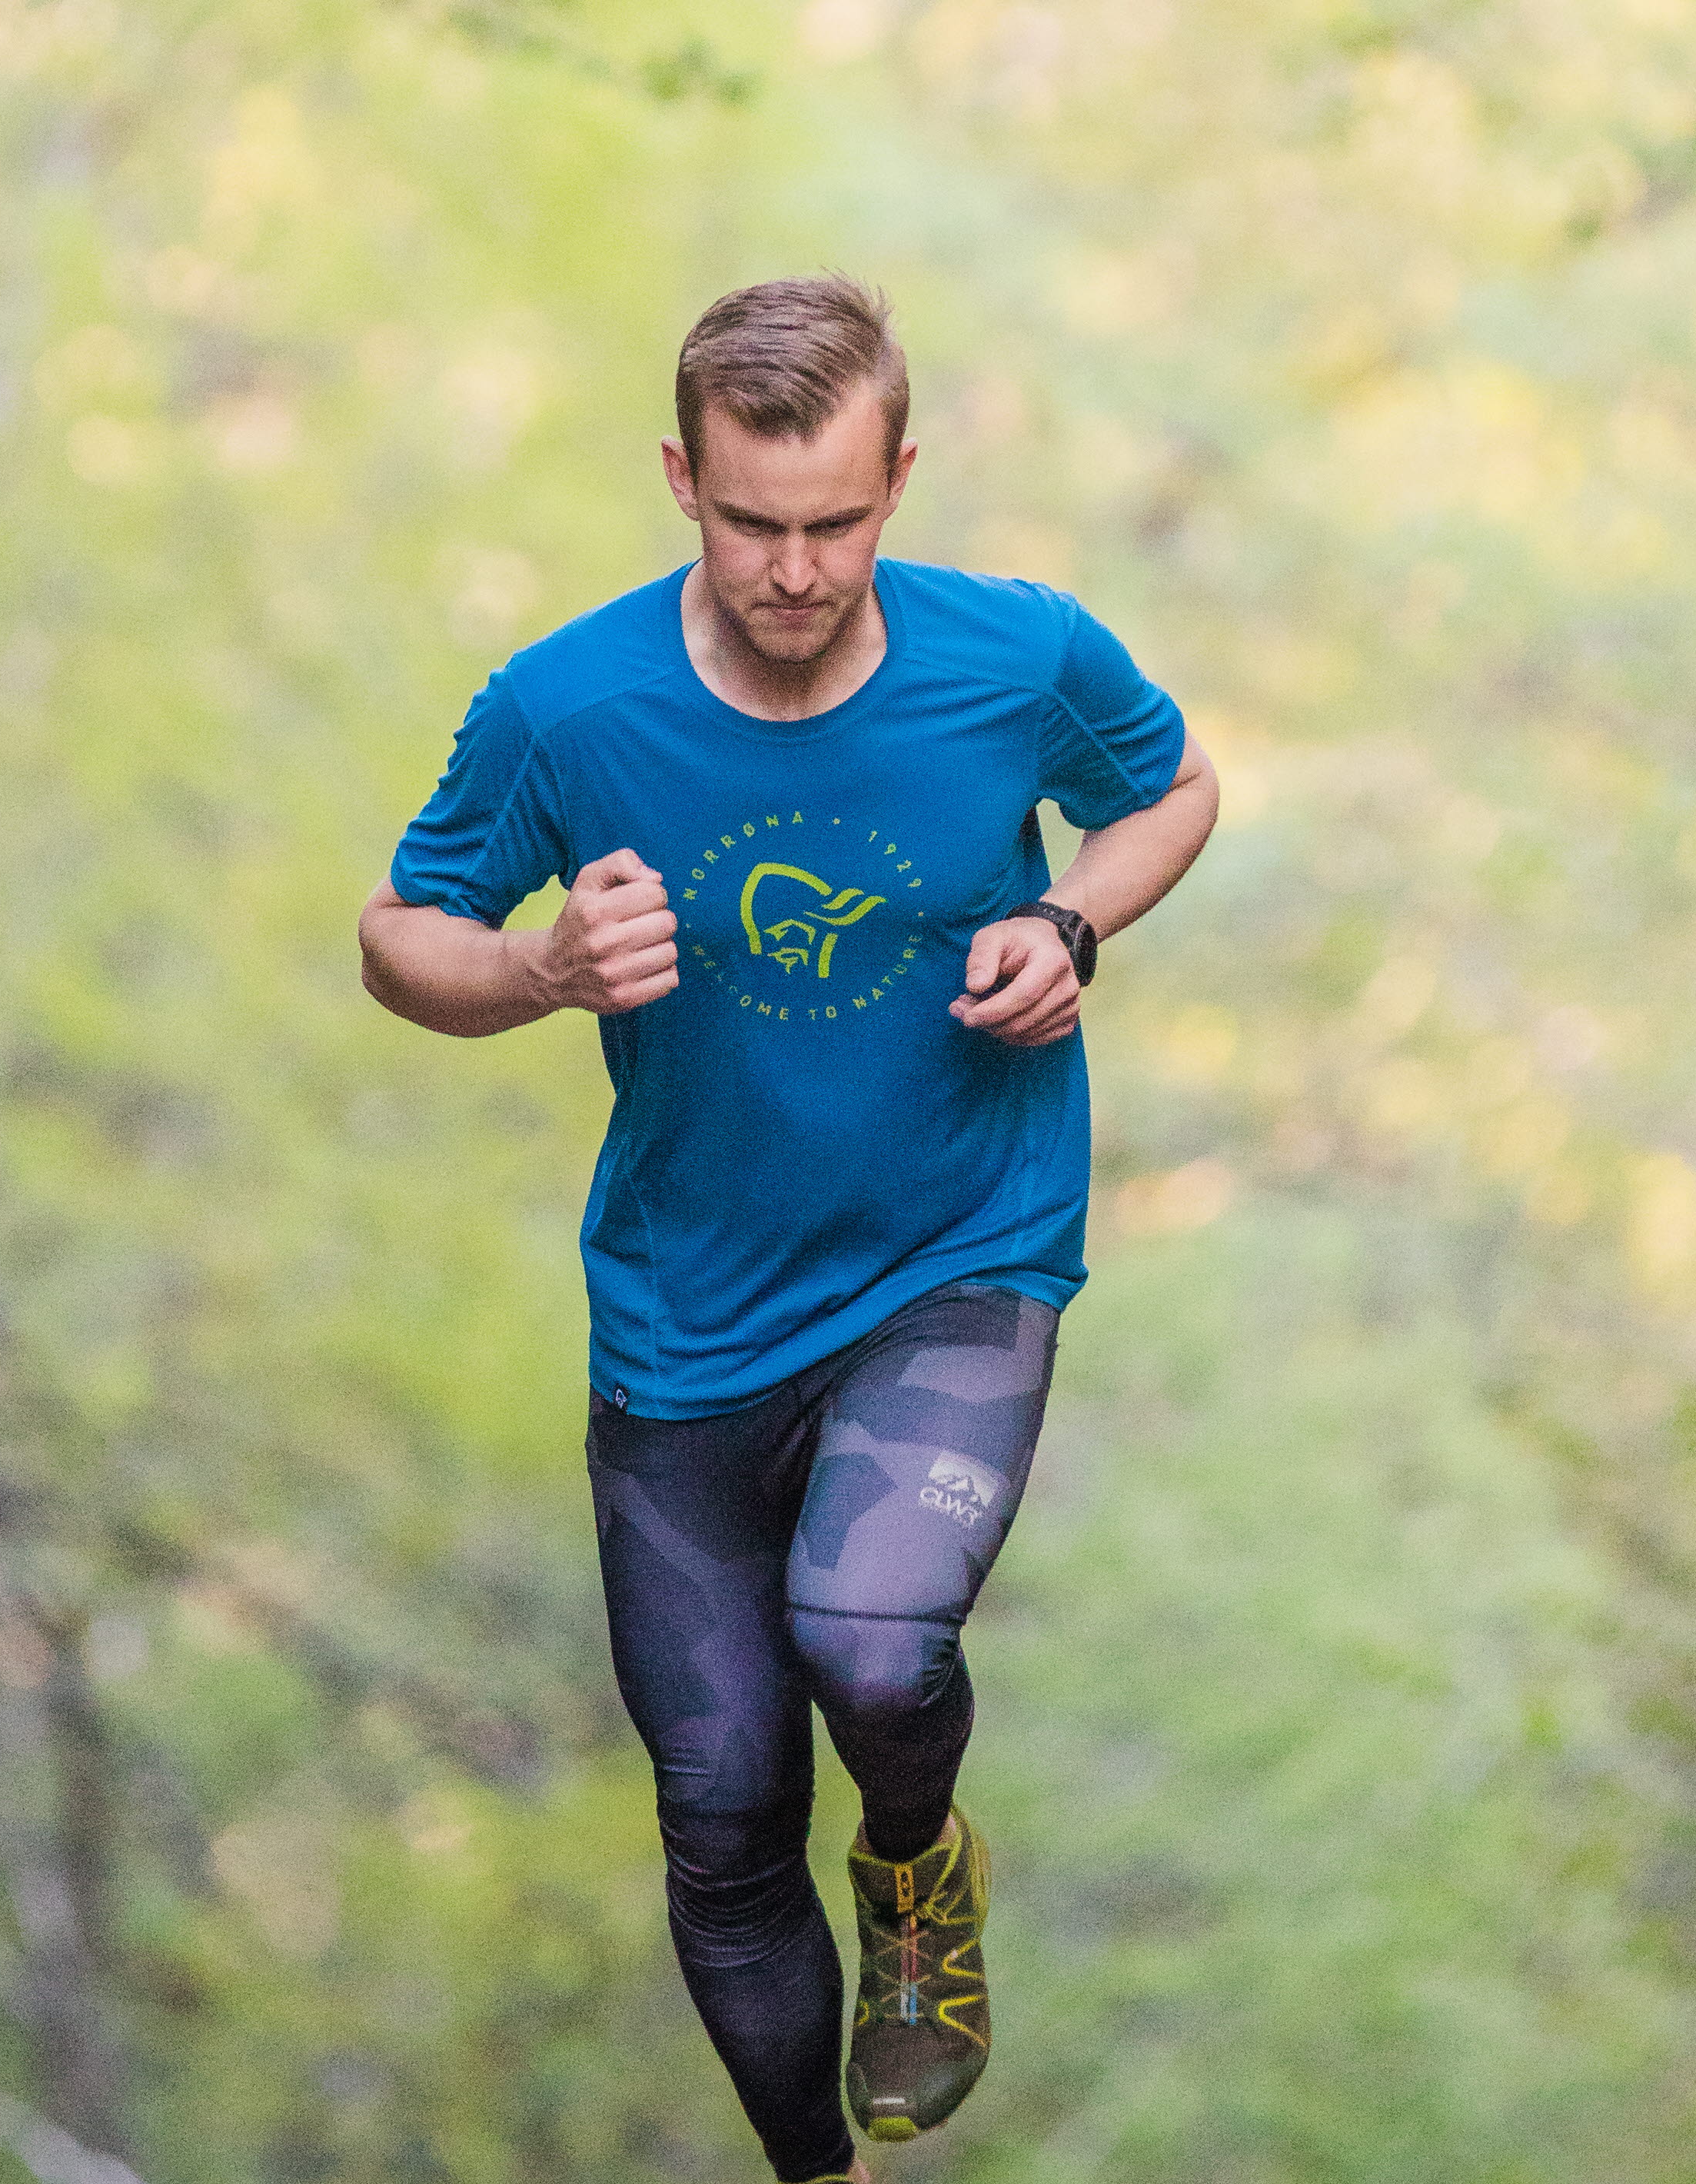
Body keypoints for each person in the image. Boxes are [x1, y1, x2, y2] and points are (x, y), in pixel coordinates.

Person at [354, 275, 1219, 2180]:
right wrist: (538, 969)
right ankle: (818, 2175)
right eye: (753, 523)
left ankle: (917, 1869)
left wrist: (1073, 925)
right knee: (721, 1807)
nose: (798, 570)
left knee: (877, 1646)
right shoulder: (567, 708)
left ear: (898, 477)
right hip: (689, 1317)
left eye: (837, 521)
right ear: (681, 479)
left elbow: (1169, 790)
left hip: (956, 1246)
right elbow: (397, 933)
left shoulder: (1017, 659)